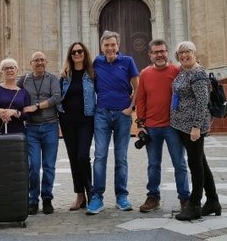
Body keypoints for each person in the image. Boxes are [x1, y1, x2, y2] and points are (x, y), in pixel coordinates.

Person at [87, 30, 139, 215]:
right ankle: (97, 197)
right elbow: (83, 77)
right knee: (100, 156)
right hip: (101, 114)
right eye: (106, 45)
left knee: (121, 157)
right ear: (102, 47)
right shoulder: (96, 62)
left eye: (113, 45)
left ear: (118, 46)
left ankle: (121, 196)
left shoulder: (127, 61)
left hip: (122, 115)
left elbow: (137, 86)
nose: (110, 48)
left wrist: (131, 108)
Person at [135, 39, 190, 213]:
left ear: (167, 53)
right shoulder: (144, 74)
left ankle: (185, 199)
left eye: (162, 51)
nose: (159, 54)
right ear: (150, 55)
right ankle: (153, 197)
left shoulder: (177, 70)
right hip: (151, 127)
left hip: (173, 126)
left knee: (179, 164)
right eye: (156, 52)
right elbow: (141, 99)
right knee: (153, 164)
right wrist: (141, 124)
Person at [171, 41, 221, 221]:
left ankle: (194, 205)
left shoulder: (198, 74)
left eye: (188, 52)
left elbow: (202, 103)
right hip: (184, 125)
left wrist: (196, 127)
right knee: (201, 162)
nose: (184, 55)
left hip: (193, 126)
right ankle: (213, 201)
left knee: (195, 165)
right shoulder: (185, 71)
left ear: (194, 53)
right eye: (181, 53)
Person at [18, 51, 61, 215]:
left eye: (42, 60)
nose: (40, 62)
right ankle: (33, 199)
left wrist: (37, 106)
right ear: (31, 63)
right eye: (36, 60)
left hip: (50, 126)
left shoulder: (52, 79)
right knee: (33, 166)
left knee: (49, 166)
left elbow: (57, 97)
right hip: (31, 128)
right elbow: (15, 95)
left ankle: (47, 198)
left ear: (46, 62)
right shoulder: (25, 80)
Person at [58, 42, 96, 211]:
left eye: (80, 51)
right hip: (67, 121)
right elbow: (56, 94)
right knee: (73, 158)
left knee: (83, 156)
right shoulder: (65, 75)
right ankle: (80, 195)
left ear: (84, 53)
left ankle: (91, 193)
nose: (77, 54)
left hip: (86, 120)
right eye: (73, 52)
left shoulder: (92, 73)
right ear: (70, 55)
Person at [0, 58, 30, 135]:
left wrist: (14, 112)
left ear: (17, 71)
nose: (9, 70)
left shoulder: (23, 92)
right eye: (5, 68)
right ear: (1, 72)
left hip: (18, 134)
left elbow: (27, 115)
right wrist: (0, 112)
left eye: (12, 67)